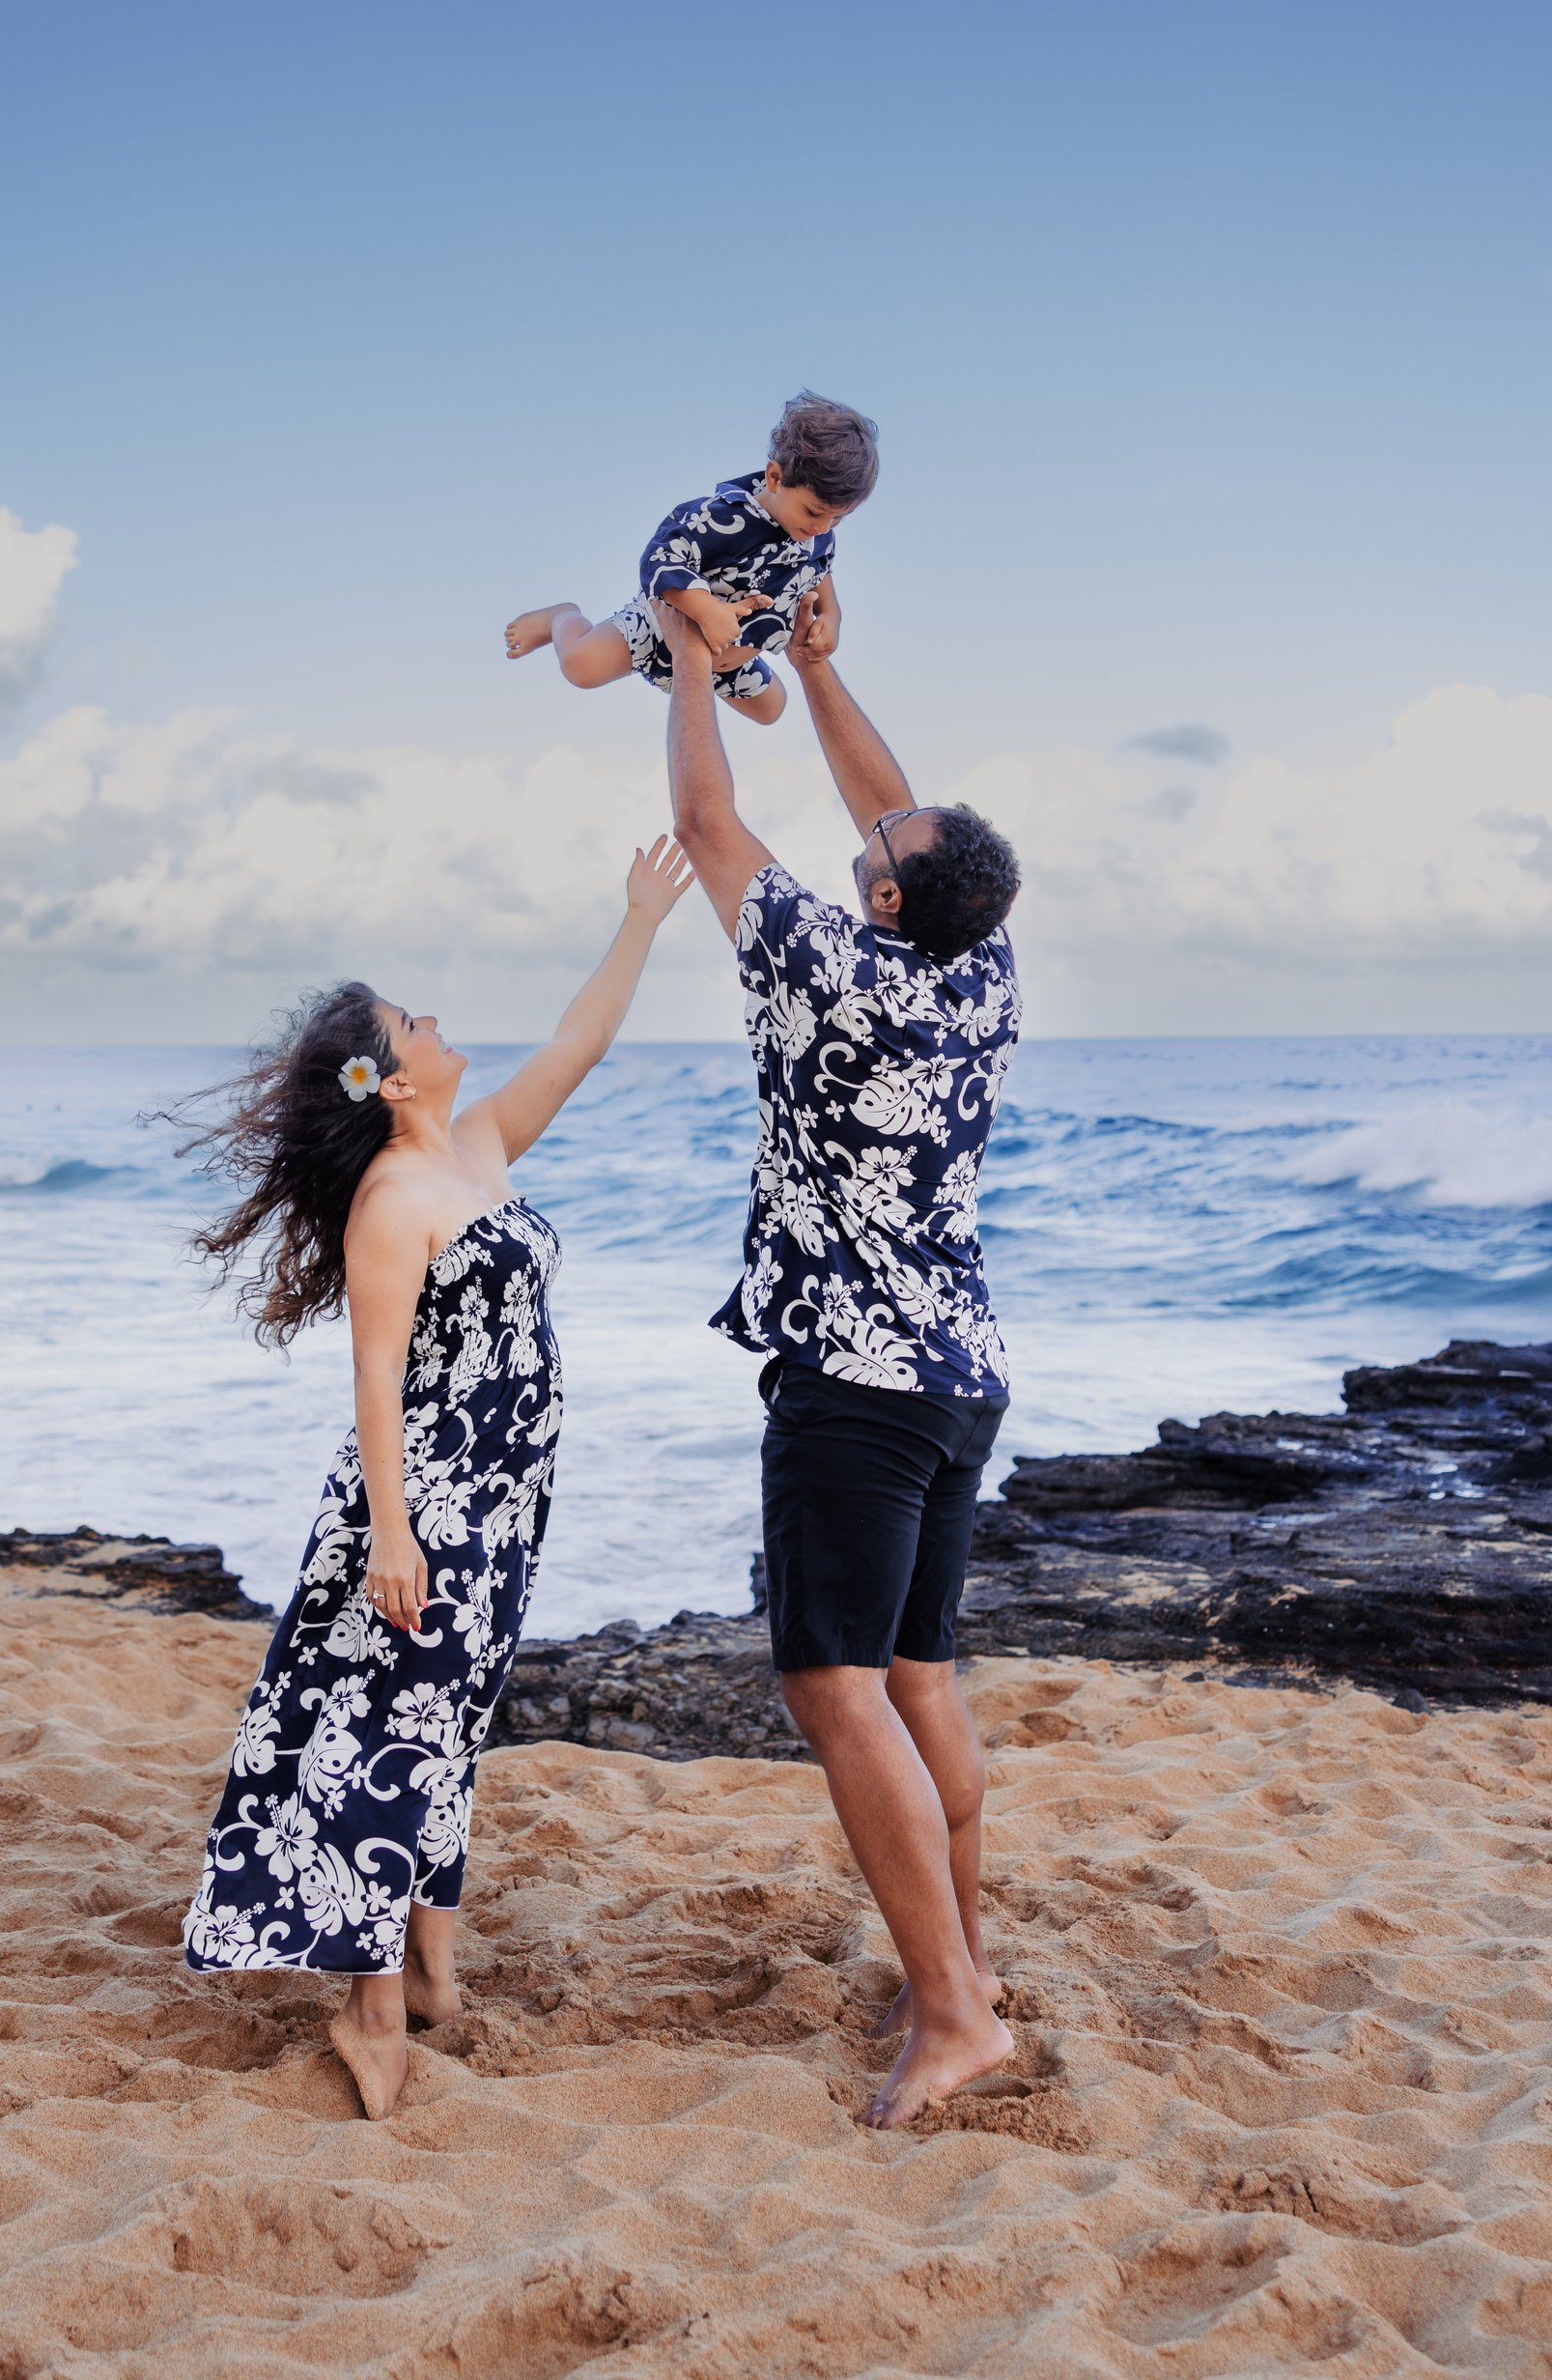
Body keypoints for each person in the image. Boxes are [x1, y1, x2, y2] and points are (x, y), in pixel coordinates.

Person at [176, 839, 698, 2120]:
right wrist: (393, 1538)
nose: (438, 1019)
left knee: (450, 1723)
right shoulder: (396, 1198)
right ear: (388, 1072)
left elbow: (580, 1045)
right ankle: (367, 2004)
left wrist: (638, 920)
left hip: (509, 1492)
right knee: (392, 1727)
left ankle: (432, 1973)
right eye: (414, 1019)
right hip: (433, 1502)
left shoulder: (474, 1148)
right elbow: (372, 1383)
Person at [654, 586, 1025, 2129]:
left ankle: (952, 2015)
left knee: (833, 1687)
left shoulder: (833, 969)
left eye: (881, 850)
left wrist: (688, 663)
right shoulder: (979, 967)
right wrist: (817, 669)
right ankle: (971, 1968)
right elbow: (899, 815)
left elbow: (702, 812)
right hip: (959, 1380)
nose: (871, 832)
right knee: (922, 1675)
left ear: (880, 902)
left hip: (859, 1390)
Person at [502, 392, 880, 729]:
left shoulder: (816, 536)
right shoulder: (720, 517)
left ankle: (716, 669)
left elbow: (820, 576)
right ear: (776, 478)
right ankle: (562, 617)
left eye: (838, 518)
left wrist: (832, 619)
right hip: (660, 628)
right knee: (581, 667)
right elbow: (659, 557)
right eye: (815, 512)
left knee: (773, 709)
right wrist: (705, 610)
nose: (823, 527)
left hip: (727, 664)